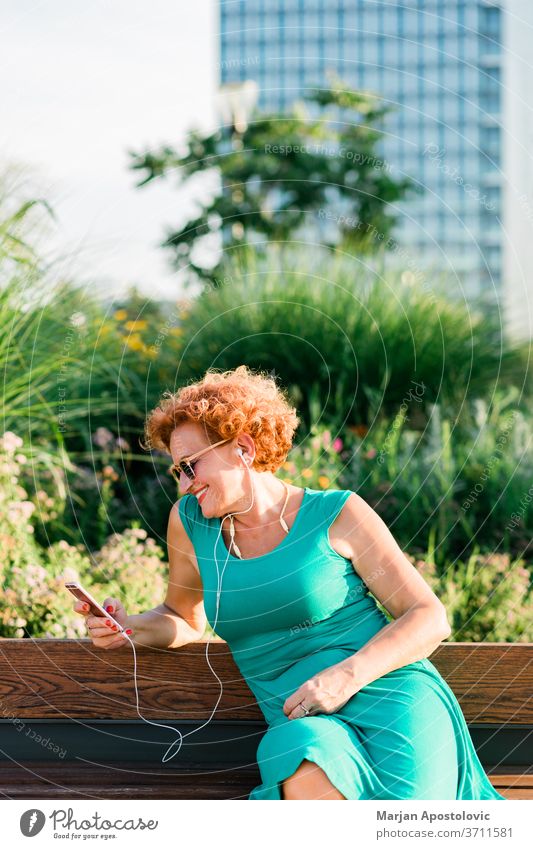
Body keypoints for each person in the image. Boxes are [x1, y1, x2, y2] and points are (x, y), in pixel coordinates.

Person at [74, 365, 506, 801]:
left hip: (391, 698)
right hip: (301, 723)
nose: (185, 485)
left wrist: (343, 678)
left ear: (242, 446)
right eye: (177, 472)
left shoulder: (337, 514)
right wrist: (130, 628)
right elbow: (183, 617)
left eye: (191, 465)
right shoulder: (189, 525)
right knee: (302, 765)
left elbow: (428, 617)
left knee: (405, 824)